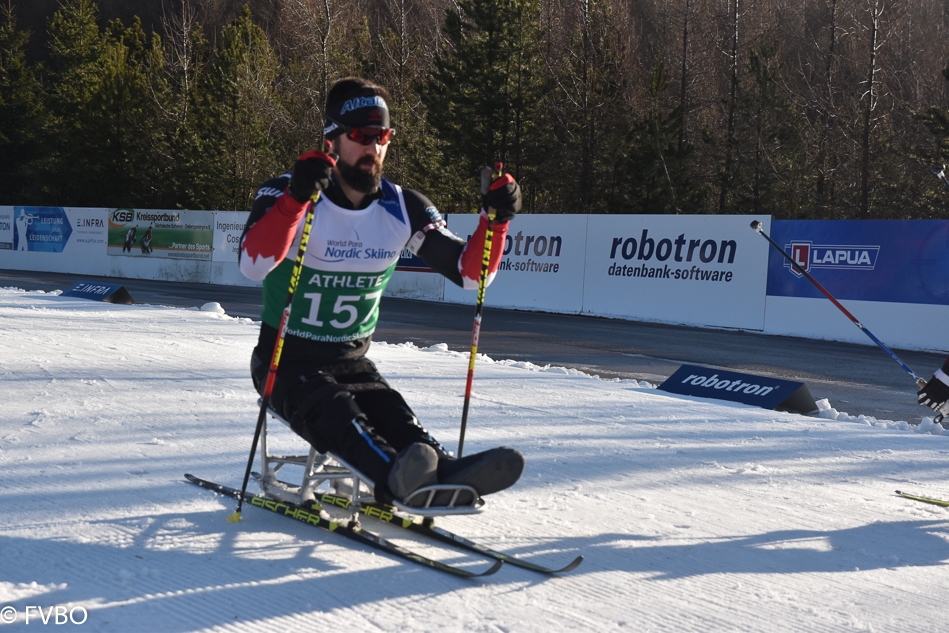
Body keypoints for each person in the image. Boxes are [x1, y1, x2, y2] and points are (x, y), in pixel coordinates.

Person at [238, 77, 524, 506]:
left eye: (383, 137)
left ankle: (441, 470)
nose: (374, 148)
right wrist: (296, 199)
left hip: (353, 360)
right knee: (338, 412)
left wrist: (496, 222)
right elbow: (252, 265)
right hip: (285, 363)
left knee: (393, 415)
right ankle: (397, 479)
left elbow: (470, 275)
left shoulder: (401, 206)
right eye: (361, 136)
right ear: (331, 140)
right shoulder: (290, 191)